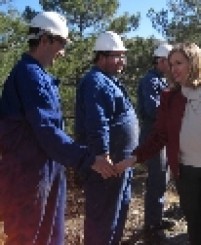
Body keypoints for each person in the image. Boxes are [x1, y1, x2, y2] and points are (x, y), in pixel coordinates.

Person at [116, 43, 201, 245]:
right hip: (186, 173)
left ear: (194, 63)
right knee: (195, 228)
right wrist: (134, 157)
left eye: (179, 63)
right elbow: (159, 135)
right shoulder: (170, 98)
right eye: (171, 64)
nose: (174, 69)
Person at [0, 12, 115, 245]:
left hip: (46, 169)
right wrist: (88, 158)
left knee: (51, 235)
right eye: (61, 43)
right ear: (45, 40)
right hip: (28, 174)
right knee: (27, 237)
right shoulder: (28, 75)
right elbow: (47, 130)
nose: (63, 52)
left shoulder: (37, 75)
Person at [75, 31, 139, 244]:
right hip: (107, 166)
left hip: (121, 165)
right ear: (101, 57)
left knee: (117, 213)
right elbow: (97, 121)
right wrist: (102, 154)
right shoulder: (96, 82)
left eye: (123, 55)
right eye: (117, 56)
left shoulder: (109, 80)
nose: (123, 61)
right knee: (103, 218)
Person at [136, 43, 174, 240]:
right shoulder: (150, 81)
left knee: (162, 179)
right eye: (170, 62)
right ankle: (152, 227)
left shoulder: (162, 80)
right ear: (160, 61)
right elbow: (153, 110)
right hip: (153, 137)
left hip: (163, 136)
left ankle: (157, 218)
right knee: (157, 180)